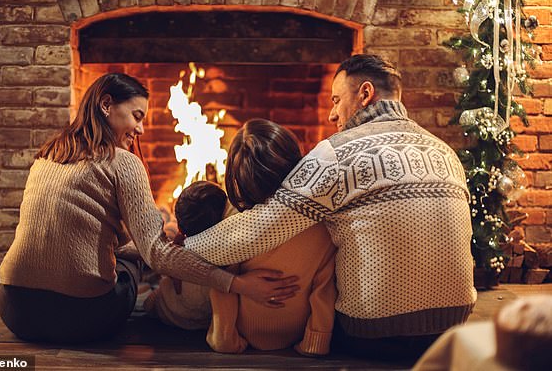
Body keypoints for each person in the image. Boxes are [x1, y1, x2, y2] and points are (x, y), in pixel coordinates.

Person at [185, 55, 477, 359]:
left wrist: (182, 248)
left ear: (365, 94)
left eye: (336, 100)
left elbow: (254, 232)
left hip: (374, 331)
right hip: (451, 325)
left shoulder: (336, 154)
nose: (332, 115)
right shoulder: (445, 152)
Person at [0, 73, 299, 343]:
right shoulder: (121, 161)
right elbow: (157, 255)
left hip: (14, 309)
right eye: (136, 116)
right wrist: (239, 284)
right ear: (106, 105)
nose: (141, 129)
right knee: (136, 263)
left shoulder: (48, 154)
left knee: (124, 249)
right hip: (83, 318)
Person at [206, 119, 337, 356]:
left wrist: (224, 339)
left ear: (238, 176)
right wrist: (315, 342)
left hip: (244, 329)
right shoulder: (319, 222)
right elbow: (324, 288)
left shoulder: (234, 220)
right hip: (295, 331)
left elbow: (221, 285)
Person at [143, 181, 227, 330]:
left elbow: (170, 272)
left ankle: (164, 217)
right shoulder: (225, 249)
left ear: (181, 227)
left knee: (149, 302)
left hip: (173, 312)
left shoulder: (180, 254)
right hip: (207, 318)